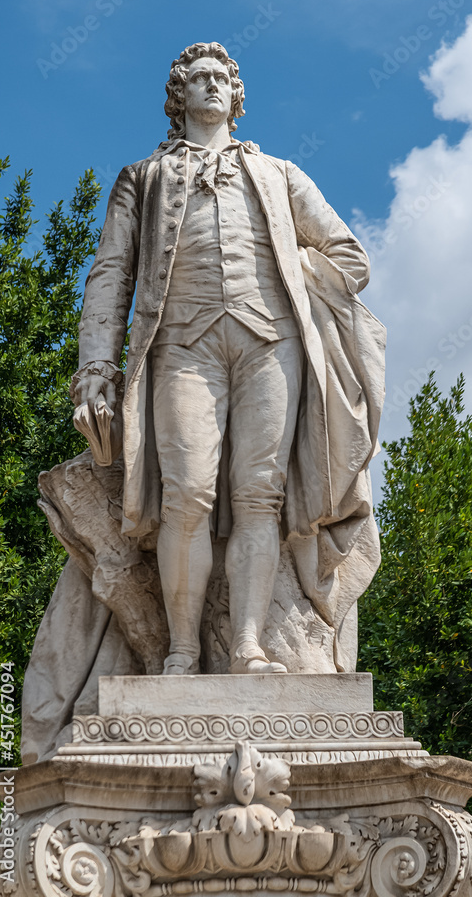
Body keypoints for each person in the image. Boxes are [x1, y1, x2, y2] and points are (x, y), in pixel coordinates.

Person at [71, 41, 384, 678]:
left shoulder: (279, 174)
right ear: (178, 96)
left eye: (222, 79)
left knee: (258, 498)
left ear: (236, 98)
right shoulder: (142, 177)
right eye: (199, 78)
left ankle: (248, 647)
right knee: (186, 496)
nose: (212, 86)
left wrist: (294, 270)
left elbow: (351, 258)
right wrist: (97, 370)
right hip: (181, 344)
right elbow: (110, 277)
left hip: (271, 341)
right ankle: (182, 652)